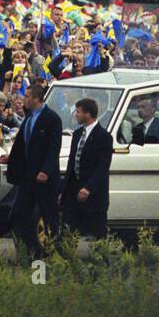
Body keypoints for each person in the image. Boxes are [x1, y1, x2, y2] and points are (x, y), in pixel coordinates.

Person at [0, 79, 62, 258]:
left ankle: (54, 254)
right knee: (19, 216)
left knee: (49, 218)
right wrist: (11, 158)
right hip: (28, 177)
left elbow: (53, 148)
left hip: (44, 179)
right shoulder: (29, 118)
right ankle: (34, 250)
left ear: (37, 99)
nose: (24, 99)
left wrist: (46, 170)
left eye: (27, 96)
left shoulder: (51, 119)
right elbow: (22, 143)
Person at [60, 98, 114, 238]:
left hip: (93, 194)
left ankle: (100, 258)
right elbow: (72, 162)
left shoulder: (104, 137)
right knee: (69, 230)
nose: (75, 115)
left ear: (88, 114)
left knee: (97, 233)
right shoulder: (77, 134)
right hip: (74, 190)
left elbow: (102, 167)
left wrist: (88, 187)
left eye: (78, 112)